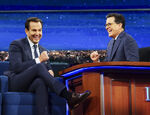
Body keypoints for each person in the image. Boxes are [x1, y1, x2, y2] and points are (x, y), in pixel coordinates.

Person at [5, 17, 91, 115]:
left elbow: (48, 68)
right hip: (17, 82)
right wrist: (39, 60)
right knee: (39, 66)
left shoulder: (42, 49)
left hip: (33, 83)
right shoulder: (16, 44)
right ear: (26, 31)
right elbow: (16, 67)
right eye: (34, 30)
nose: (37, 33)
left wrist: (50, 71)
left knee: (41, 82)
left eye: (39, 30)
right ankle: (68, 96)